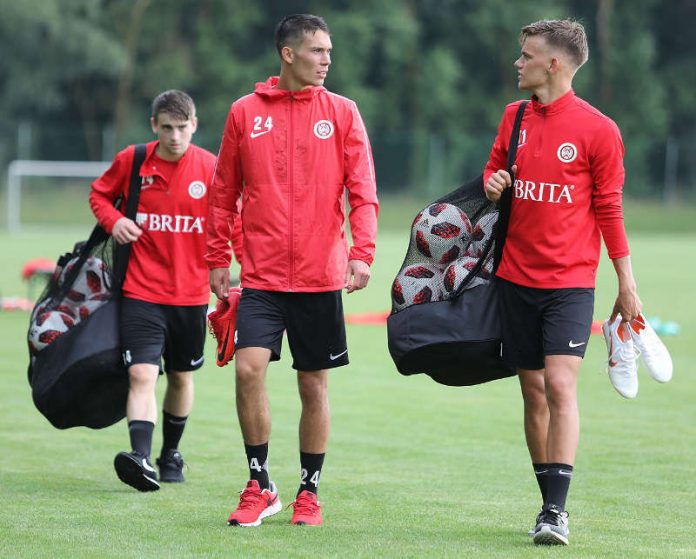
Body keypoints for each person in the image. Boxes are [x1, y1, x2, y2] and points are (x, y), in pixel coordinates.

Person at [206, 13, 378, 526]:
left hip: (320, 276)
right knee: (248, 369)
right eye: (317, 51)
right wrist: (218, 256)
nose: (327, 60)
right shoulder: (244, 112)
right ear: (287, 53)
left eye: (329, 52)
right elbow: (223, 194)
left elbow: (363, 191)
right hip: (260, 278)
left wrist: (361, 252)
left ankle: (310, 490)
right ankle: (260, 484)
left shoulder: (344, 112)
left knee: (312, 385)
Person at [483, 20, 642, 545]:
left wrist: (626, 281)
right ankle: (545, 499)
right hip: (513, 278)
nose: (518, 62)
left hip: (570, 283)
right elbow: (490, 180)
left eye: (526, 55)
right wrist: (495, 184)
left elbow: (609, 207)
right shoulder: (515, 117)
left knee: (559, 384)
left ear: (554, 63)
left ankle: (555, 511)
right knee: (532, 392)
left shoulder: (599, 129)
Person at [90, 90, 222, 492]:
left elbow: (228, 222)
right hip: (141, 291)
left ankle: (171, 454)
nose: (175, 136)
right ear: (154, 126)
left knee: (181, 378)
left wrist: (228, 271)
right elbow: (99, 194)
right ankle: (141, 459)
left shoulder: (212, 168)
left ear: (194, 125)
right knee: (142, 373)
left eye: (183, 128)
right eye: (167, 128)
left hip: (191, 295)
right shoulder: (132, 161)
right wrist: (113, 220)